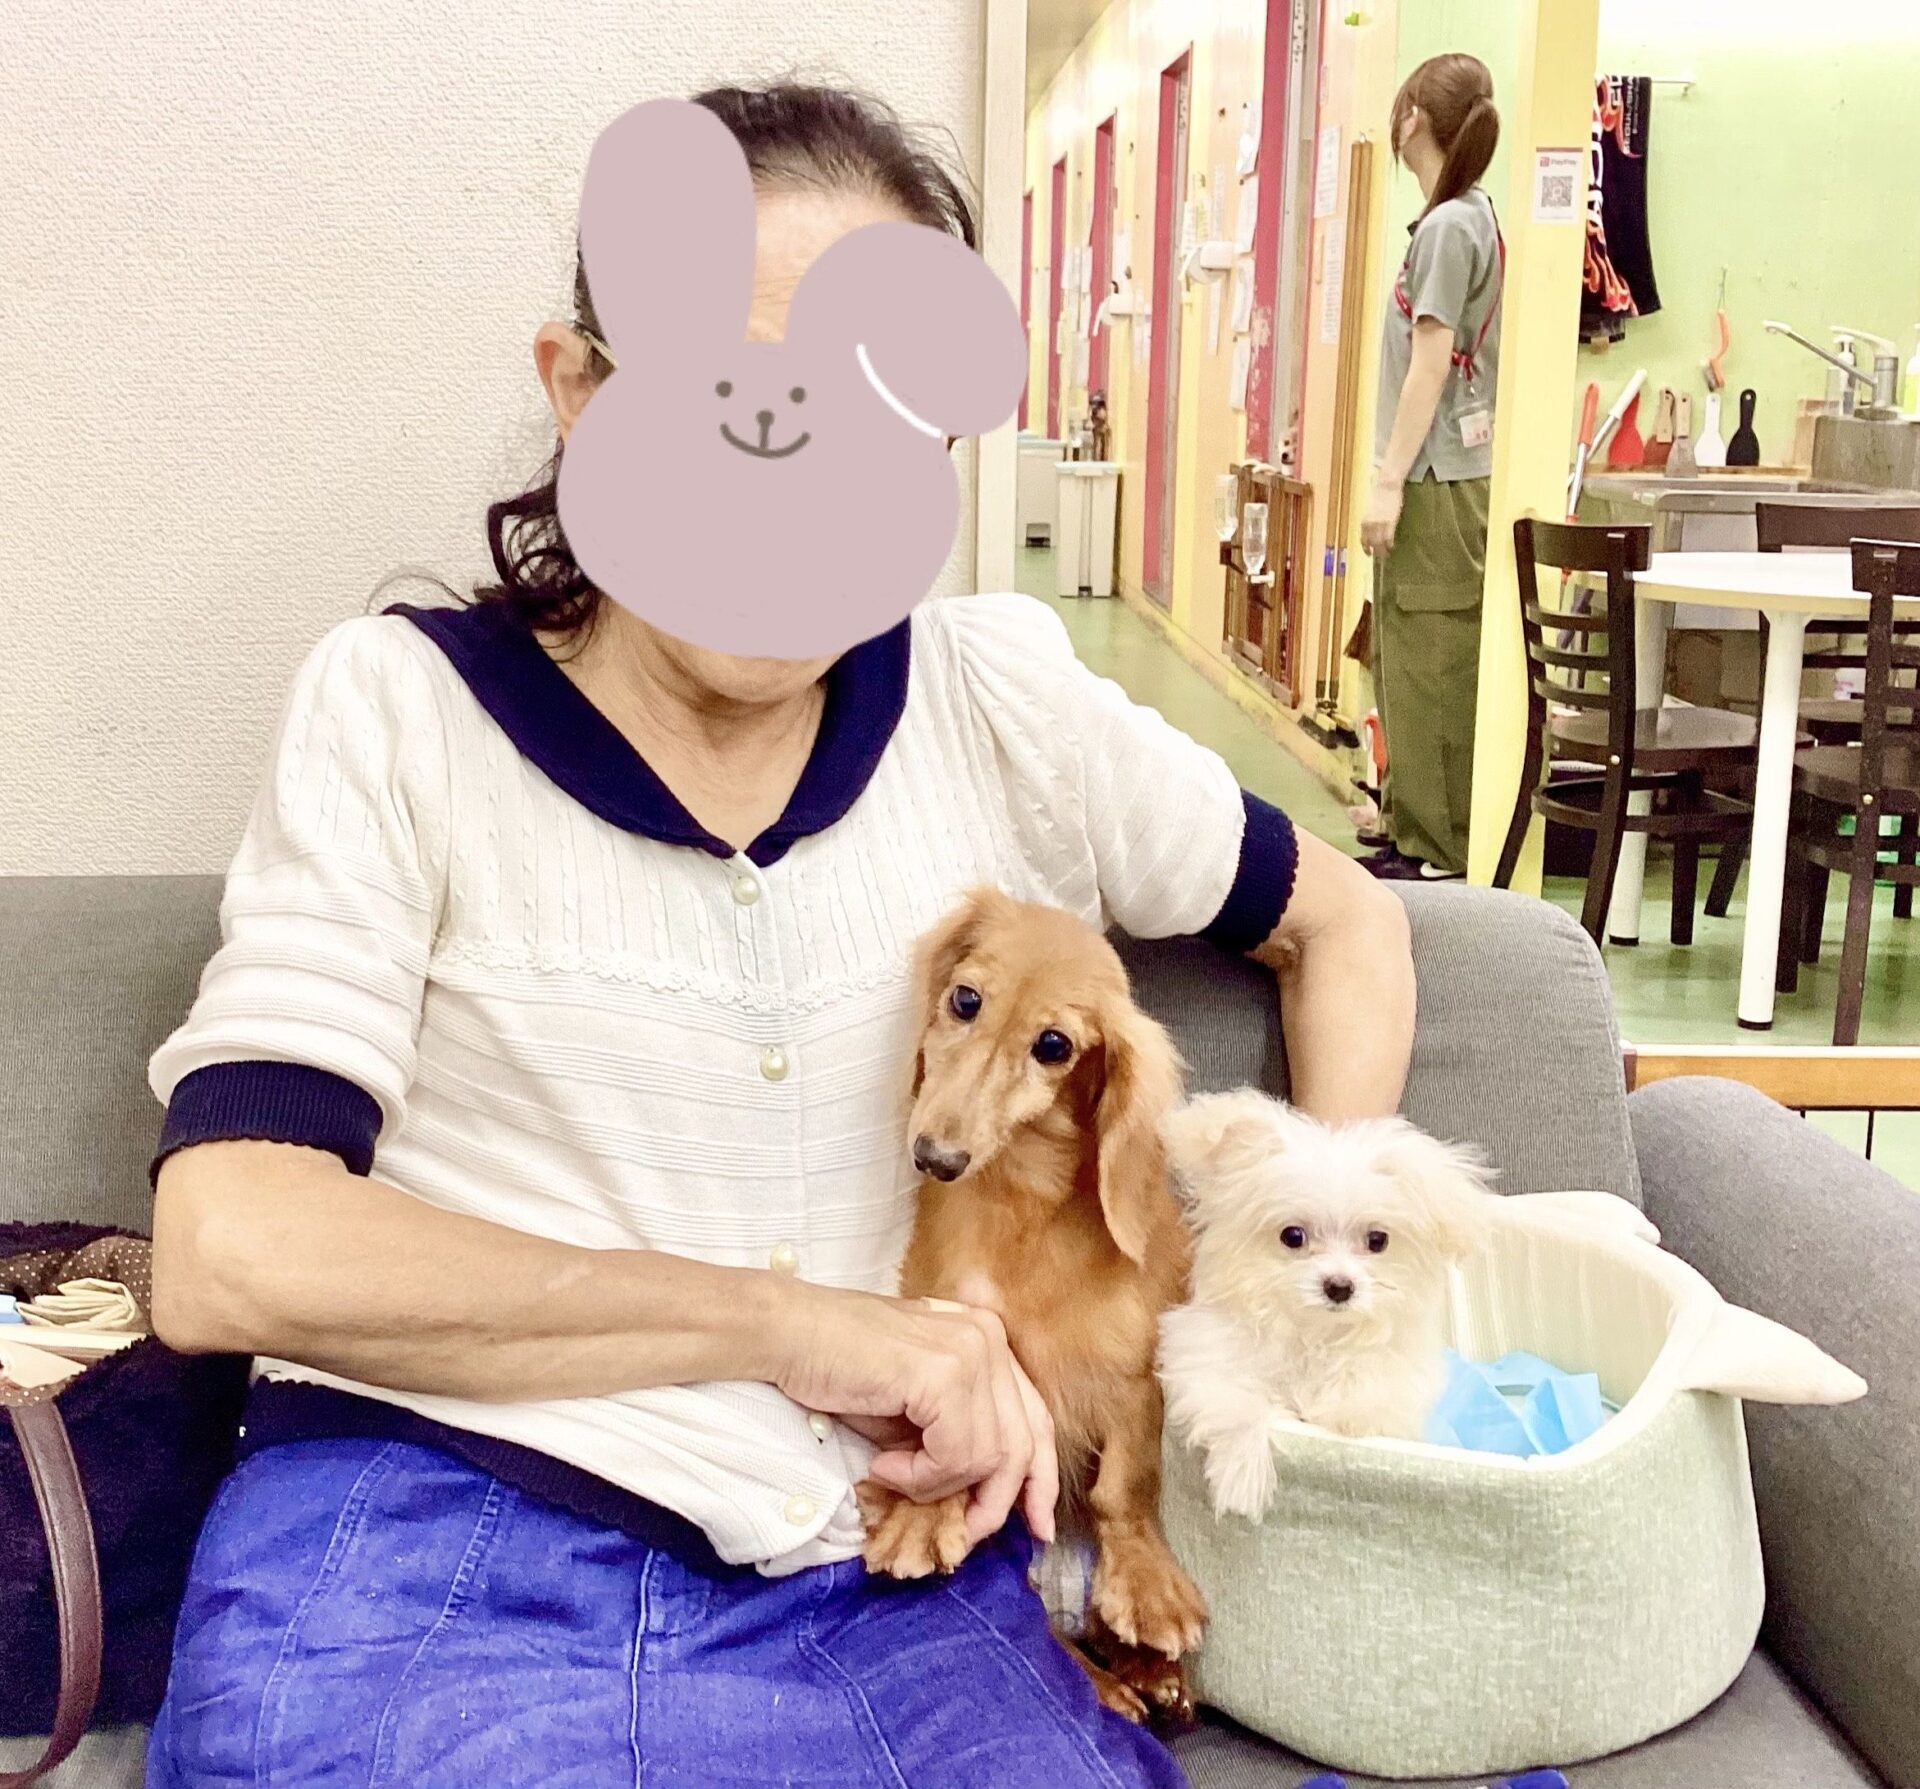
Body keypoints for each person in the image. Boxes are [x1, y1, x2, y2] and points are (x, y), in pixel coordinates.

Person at [142, 82, 1416, 1788]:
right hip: (425, 1526)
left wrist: (1289, 1307)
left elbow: (1344, 922)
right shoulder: (402, 708)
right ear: (581, 394)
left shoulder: (1000, 699)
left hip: (880, 1558)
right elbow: (230, 1244)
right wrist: (800, 1326)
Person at [1359, 54, 1503, 883]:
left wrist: (1388, 481)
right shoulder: (1458, 218)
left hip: (1436, 482)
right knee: (1408, 659)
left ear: (1413, 118)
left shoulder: (1451, 226)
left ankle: (1438, 851)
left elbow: (1431, 360)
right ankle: (1410, 828)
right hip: (1440, 477)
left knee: (1436, 662)